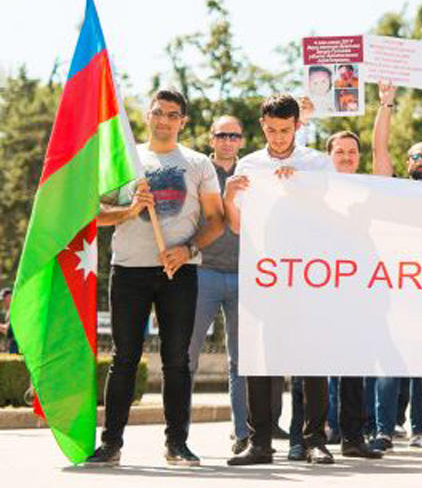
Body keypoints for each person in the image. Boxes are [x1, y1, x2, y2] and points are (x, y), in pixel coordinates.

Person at [87, 89, 227, 467]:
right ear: (148, 116)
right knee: (125, 358)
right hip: (129, 269)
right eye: (158, 112)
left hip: (178, 271)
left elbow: (216, 221)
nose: (164, 120)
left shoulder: (198, 164)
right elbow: (95, 214)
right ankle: (111, 444)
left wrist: (187, 250)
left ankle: (176, 444)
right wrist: (131, 210)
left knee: (177, 361)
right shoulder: (126, 162)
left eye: (172, 114)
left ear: (183, 121)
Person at [225, 94, 337, 466]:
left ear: (298, 126)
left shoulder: (317, 164)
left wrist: (301, 187)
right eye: (271, 130)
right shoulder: (249, 164)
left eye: (285, 130)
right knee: (261, 359)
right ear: (261, 125)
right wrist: (229, 196)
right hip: (265, 274)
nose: (277, 137)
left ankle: (313, 441)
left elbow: (333, 212)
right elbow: (238, 225)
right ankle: (259, 443)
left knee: (313, 358)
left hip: (307, 274)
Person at [369, 80, 422, 451]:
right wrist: (386, 105)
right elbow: (379, 148)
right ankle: (383, 430)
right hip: (389, 291)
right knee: (387, 368)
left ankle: (421, 432)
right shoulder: (390, 189)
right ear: (407, 163)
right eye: (416, 157)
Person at [186, 115, 250, 455]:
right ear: (211, 138)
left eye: (234, 135)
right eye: (221, 135)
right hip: (203, 272)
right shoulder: (197, 170)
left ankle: (243, 432)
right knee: (187, 356)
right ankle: (178, 435)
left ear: (241, 140)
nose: (227, 140)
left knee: (241, 360)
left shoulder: (252, 174)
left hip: (244, 275)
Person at [321, 131, 384, 460]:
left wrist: (385, 105)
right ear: (328, 155)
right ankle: (312, 437)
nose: (346, 157)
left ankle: (353, 438)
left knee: (354, 366)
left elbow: (383, 155)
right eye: (339, 151)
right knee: (316, 366)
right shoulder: (318, 190)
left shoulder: (369, 189)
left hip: (359, 290)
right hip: (321, 289)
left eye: (352, 152)